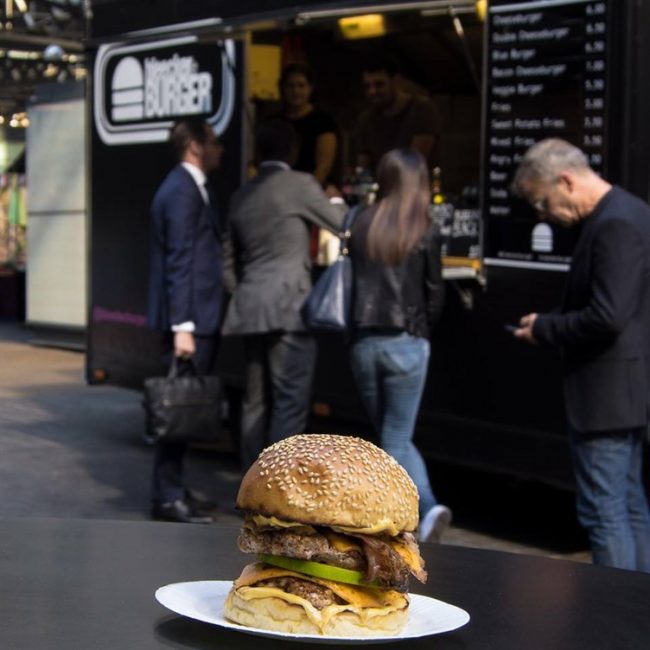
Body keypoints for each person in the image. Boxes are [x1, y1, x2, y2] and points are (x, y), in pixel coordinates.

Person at [510, 138, 650, 572]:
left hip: (606, 397)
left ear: (566, 181)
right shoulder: (629, 212)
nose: (543, 214)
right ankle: (636, 604)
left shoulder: (614, 223)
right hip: (624, 392)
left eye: (542, 200)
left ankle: (616, 608)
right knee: (629, 506)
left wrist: (546, 328)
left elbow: (608, 316)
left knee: (605, 513)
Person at [221, 120, 345, 470]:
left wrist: (243, 292)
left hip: (250, 307)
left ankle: (250, 479)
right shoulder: (300, 185)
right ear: (293, 150)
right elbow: (343, 223)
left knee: (255, 401)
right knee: (290, 400)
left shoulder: (241, 194)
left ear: (258, 152)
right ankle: (277, 481)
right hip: (290, 306)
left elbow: (226, 261)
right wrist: (337, 198)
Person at [348, 148, 451, 543]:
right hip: (407, 342)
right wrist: (421, 331)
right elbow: (434, 294)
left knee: (393, 433)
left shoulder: (361, 221)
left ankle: (424, 511)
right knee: (395, 437)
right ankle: (404, 519)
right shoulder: (424, 227)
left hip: (364, 341)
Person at [146, 118, 224, 524]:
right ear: (195, 144)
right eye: (213, 141)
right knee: (175, 408)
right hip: (189, 319)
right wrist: (183, 327)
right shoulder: (181, 190)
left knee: (183, 407)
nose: (220, 149)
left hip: (194, 314)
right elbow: (179, 260)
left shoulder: (187, 187)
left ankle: (174, 487)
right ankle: (167, 497)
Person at [356, 55, 440, 174]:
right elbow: (363, 169)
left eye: (379, 84)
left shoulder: (421, 109)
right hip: (379, 184)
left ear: (396, 81)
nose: (372, 91)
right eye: (367, 86)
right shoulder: (366, 119)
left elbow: (414, 165)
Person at [279, 62, 338, 187]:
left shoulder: (323, 121)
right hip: (279, 188)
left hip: (311, 189)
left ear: (310, 88)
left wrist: (305, 192)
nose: (296, 91)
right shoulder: (276, 121)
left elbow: (323, 167)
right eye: (290, 86)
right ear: (283, 88)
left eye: (301, 86)